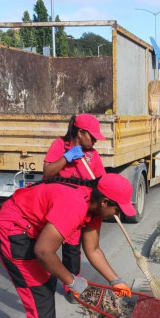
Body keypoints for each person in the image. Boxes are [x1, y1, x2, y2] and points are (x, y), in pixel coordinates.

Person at [0, 173, 134, 318]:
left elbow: (92, 249)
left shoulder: (93, 209)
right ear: (105, 201)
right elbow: (44, 252)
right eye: (117, 209)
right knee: (39, 298)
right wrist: (72, 281)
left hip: (30, 233)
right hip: (12, 232)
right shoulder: (74, 205)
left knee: (45, 286)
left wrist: (115, 280)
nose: (117, 214)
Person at [43, 114, 106, 303]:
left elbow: (101, 181)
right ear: (80, 132)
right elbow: (47, 172)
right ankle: (46, 282)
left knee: (72, 249)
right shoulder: (60, 146)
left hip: (76, 210)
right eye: (92, 137)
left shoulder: (92, 155)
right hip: (55, 208)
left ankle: (70, 285)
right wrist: (67, 158)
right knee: (48, 248)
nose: (94, 141)